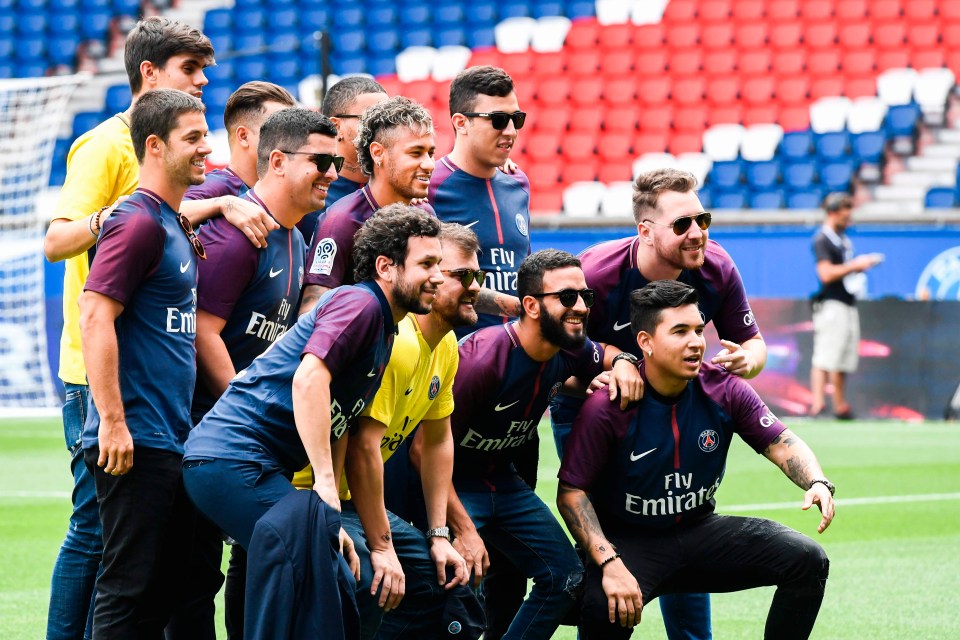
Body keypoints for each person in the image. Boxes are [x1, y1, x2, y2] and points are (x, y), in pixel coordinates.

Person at [42, 19, 270, 639]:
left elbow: (163, 211)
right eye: (190, 71)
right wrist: (115, 221)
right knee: (103, 542)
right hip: (101, 376)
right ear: (149, 74)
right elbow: (58, 240)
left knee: (151, 571)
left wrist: (215, 204)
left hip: (152, 394)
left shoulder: (168, 210)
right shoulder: (105, 150)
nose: (203, 83)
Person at [181, 205, 442, 628]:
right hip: (229, 461)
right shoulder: (359, 304)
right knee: (321, 575)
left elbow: (342, 426)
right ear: (386, 267)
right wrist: (323, 485)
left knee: (328, 573)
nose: (438, 275)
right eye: (427, 263)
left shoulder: (384, 329)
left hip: (253, 468)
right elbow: (308, 382)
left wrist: (328, 513)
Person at [550, 167, 769, 640]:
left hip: (675, 408)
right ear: (645, 231)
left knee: (682, 521)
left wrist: (746, 362)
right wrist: (599, 374)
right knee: (603, 529)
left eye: (703, 219)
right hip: (593, 410)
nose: (698, 233)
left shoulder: (717, 266)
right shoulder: (595, 275)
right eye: (683, 224)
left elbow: (752, 343)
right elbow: (550, 357)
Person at [557, 280, 833, 640]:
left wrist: (816, 481)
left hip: (700, 531)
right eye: (680, 331)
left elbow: (781, 442)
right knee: (599, 605)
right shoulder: (606, 406)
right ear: (646, 343)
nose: (696, 342)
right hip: (630, 544)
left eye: (699, 330)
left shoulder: (725, 389)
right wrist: (610, 563)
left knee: (807, 560)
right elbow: (571, 493)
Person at [186, 107, 340, 639]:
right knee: (188, 581)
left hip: (246, 438)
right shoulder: (237, 234)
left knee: (257, 566)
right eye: (321, 161)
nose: (333, 173)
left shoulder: (296, 238)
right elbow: (203, 332)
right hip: (209, 433)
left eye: (337, 161)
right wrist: (243, 410)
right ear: (276, 160)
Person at [438, 249, 642, 640]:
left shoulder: (568, 346)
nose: (581, 307)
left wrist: (623, 364)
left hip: (505, 484)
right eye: (567, 298)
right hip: (451, 486)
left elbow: (607, 353)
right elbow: (425, 452)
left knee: (565, 578)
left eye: (586, 297)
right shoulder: (481, 361)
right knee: (457, 589)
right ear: (530, 305)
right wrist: (462, 529)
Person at [78, 88, 211, 638]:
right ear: (155, 146)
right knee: (129, 588)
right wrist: (112, 420)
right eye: (194, 138)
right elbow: (93, 315)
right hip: (134, 438)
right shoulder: (136, 222)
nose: (208, 148)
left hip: (167, 437)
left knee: (170, 586)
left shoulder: (172, 222)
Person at [342, 223, 483, 639]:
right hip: (314, 493)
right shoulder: (398, 341)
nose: (473, 287)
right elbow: (358, 450)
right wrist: (382, 546)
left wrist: (442, 534)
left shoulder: (447, 346)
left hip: (356, 498)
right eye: (462, 276)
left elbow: (436, 441)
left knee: (444, 577)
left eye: (478, 277)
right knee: (371, 580)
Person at [300, 96, 436, 314]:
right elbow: (311, 311)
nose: (429, 164)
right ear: (378, 153)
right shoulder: (341, 221)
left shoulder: (424, 213)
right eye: (415, 153)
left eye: (431, 153)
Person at [429, 65, 529, 332]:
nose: (510, 131)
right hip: (458, 358)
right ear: (461, 123)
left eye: (516, 119)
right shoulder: (429, 187)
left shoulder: (518, 184)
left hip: (517, 355)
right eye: (498, 120)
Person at [809, 192, 882, 419]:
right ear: (832, 212)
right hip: (832, 304)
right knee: (824, 355)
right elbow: (826, 273)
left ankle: (840, 405)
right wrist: (856, 265)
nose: (849, 217)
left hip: (847, 303)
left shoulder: (841, 240)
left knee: (842, 357)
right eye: (844, 212)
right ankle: (818, 404)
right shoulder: (822, 239)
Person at [295, 76, 388, 238]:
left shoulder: (401, 187)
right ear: (336, 127)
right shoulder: (304, 190)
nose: (384, 129)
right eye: (371, 119)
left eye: (389, 120)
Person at [182, 81, 296, 203]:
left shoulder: (290, 194)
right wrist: (223, 205)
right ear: (244, 136)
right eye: (281, 130)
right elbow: (170, 215)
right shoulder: (214, 188)